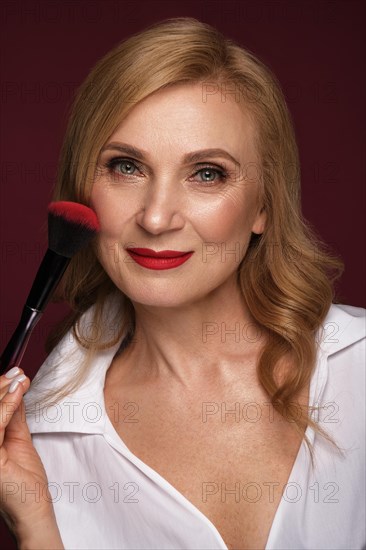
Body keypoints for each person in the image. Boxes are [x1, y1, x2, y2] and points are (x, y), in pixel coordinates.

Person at [0, 16, 364, 550]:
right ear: (83, 192)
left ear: (263, 204)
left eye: (207, 173)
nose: (156, 217)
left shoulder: (360, 371)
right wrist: (38, 530)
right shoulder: (42, 439)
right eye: (126, 167)